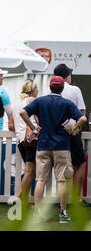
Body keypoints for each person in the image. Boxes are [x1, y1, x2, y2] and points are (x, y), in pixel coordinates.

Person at [20, 76, 87, 223]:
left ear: (50, 87)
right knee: (62, 181)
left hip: (43, 145)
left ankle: (38, 212)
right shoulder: (67, 103)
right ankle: (63, 214)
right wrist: (74, 129)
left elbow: (22, 112)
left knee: (41, 180)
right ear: (62, 88)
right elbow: (83, 118)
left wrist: (33, 128)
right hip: (62, 146)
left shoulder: (40, 101)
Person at [54, 63, 87, 202]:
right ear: (66, 76)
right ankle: (77, 199)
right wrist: (75, 129)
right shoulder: (75, 89)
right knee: (80, 163)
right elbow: (82, 113)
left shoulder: (49, 90)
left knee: (61, 166)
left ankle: (61, 199)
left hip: (55, 133)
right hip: (73, 132)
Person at [8, 79, 39, 200]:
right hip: (31, 139)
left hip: (20, 140)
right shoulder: (32, 100)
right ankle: (19, 198)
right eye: (37, 88)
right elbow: (38, 119)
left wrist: (21, 128)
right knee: (30, 171)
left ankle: (23, 200)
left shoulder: (16, 104)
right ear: (32, 90)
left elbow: (10, 125)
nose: (38, 90)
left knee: (30, 171)